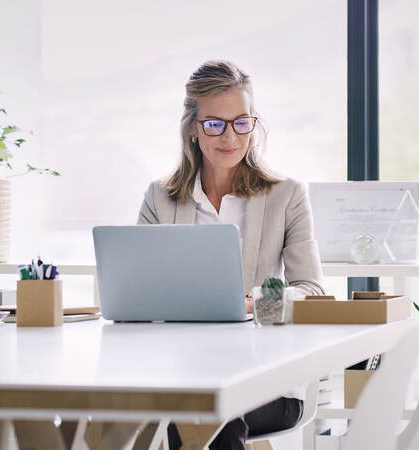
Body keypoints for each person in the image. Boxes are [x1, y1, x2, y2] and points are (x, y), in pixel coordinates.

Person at [137, 60, 325, 449]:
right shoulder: (160, 197)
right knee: (162, 411)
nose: (230, 136)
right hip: (182, 373)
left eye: (241, 122)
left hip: (268, 382)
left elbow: (312, 289)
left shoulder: (286, 195)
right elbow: (138, 287)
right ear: (193, 128)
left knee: (210, 410)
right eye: (214, 123)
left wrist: (256, 302)